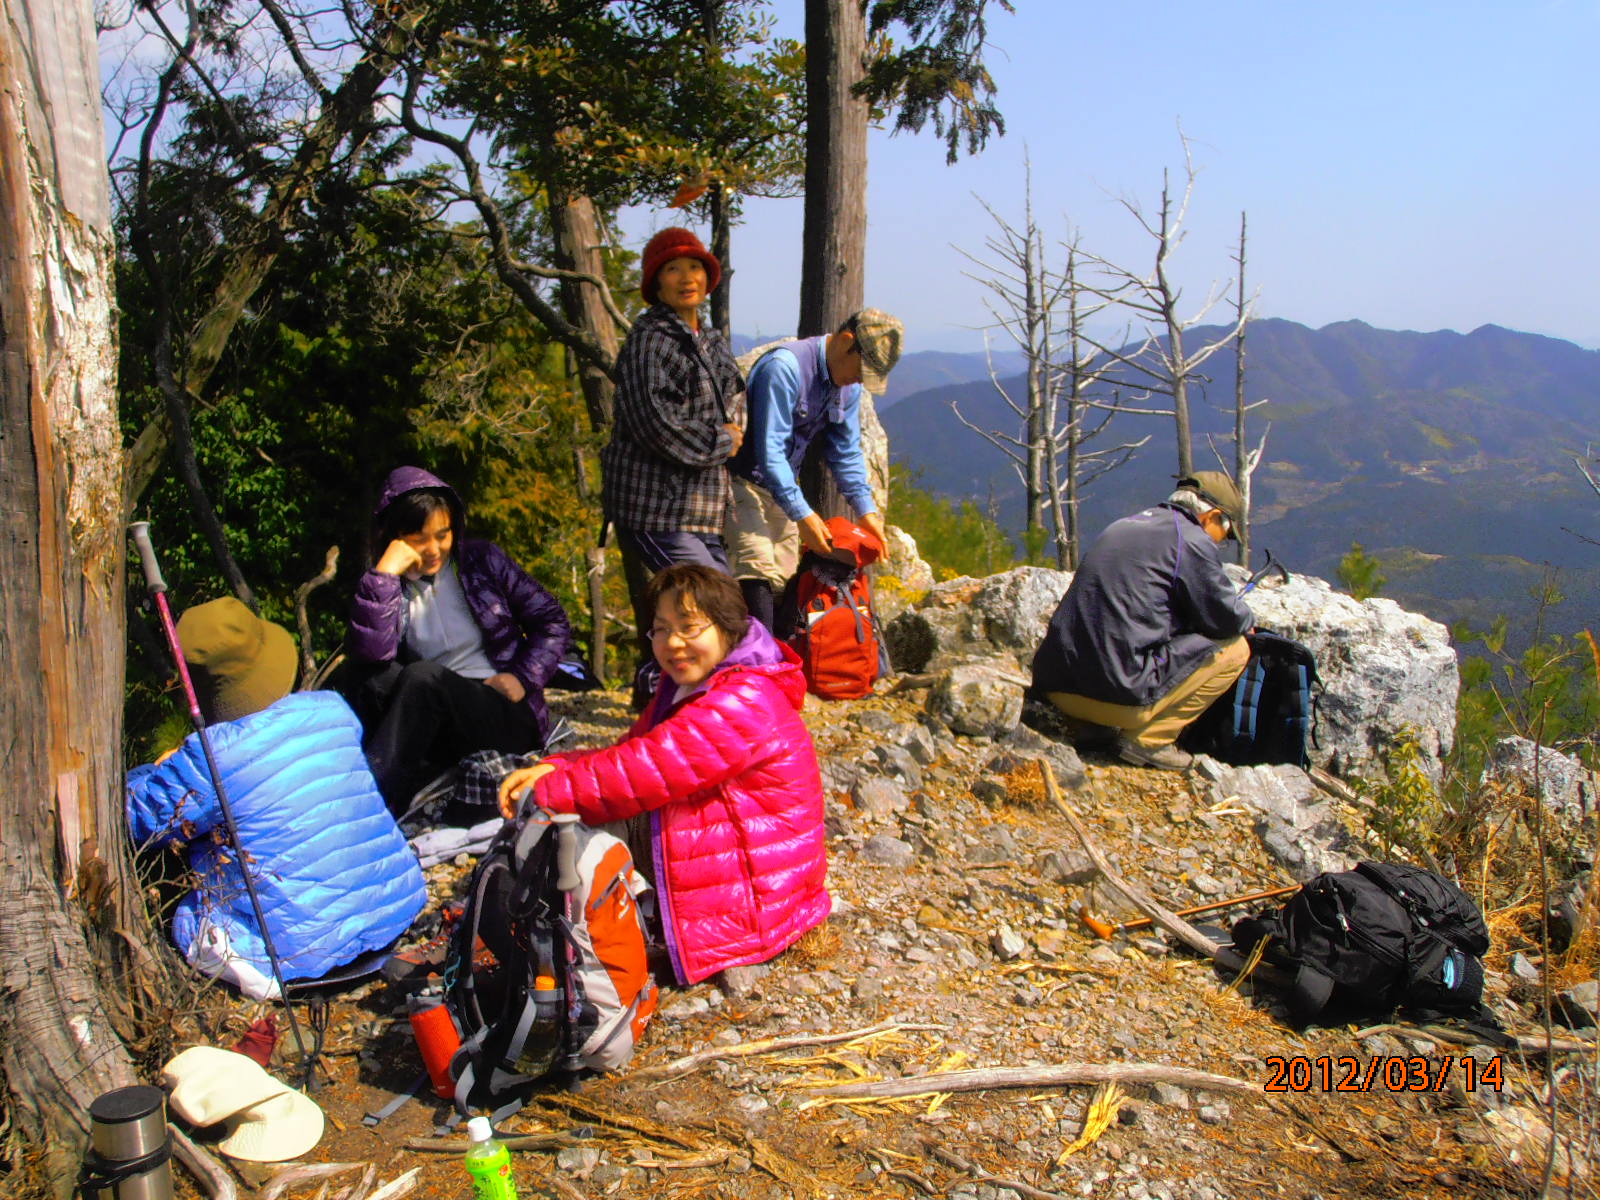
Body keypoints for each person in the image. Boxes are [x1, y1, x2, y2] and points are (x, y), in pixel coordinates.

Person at [495, 565, 830, 987]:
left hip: (756, 901)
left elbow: (641, 772)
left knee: (569, 828)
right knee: (567, 827)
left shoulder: (743, 698)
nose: (673, 643)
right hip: (735, 869)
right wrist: (557, 766)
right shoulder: (691, 686)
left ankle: (533, 932)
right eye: (660, 629)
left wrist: (544, 791)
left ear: (727, 628)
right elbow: (629, 754)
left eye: (689, 627)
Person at [127, 598, 426, 999]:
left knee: (190, 920)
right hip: (390, 913)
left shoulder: (210, 757)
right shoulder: (331, 710)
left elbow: (136, 818)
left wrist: (154, 772)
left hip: (301, 954)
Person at [345, 466, 572, 810]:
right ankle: (374, 782)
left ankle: (367, 804)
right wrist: (383, 577)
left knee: (423, 676)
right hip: (434, 715)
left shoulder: (482, 561)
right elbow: (373, 656)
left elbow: (552, 621)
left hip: (501, 710)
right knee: (363, 674)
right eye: (419, 537)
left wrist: (523, 677)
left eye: (443, 534)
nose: (434, 548)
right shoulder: (388, 583)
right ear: (394, 536)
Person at [601, 226, 745, 699]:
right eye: (673, 268)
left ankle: (665, 699)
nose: (687, 277)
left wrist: (732, 432)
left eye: (695, 266)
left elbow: (736, 395)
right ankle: (673, 705)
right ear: (656, 283)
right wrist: (722, 442)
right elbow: (655, 424)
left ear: (709, 276)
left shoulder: (711, 340)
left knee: (718, 610)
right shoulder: (652, 341)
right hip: (657, 509)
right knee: (706, 609)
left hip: (703, 507)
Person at [1030, 471, 1253, 772]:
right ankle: (1149, 742)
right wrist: (1248, 619)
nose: (1220, 543)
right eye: (1225, 535)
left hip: (1057, 689)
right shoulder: (1190, 540)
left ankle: (1090, 727)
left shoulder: (1124, 525)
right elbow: (1227, 620)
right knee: (1237, 649)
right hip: (1120, 703)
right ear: (1212, 516)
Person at [727, 309, 904, 630]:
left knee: (786, 580)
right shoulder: (784, 369)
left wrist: (867, 511)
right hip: (741, 482)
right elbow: (771, 452)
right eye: (862, 370)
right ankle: (754, 670)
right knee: (756, 574)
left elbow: (846, 452)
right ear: (847, 342)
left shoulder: (848, 387)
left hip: (781, 489)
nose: (861, 380)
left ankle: (782, 668)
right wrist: (802, 514)